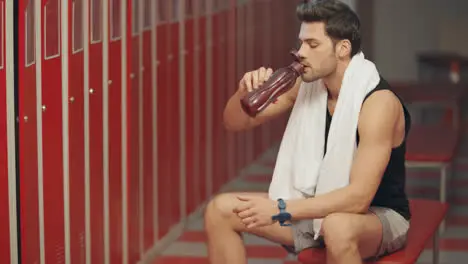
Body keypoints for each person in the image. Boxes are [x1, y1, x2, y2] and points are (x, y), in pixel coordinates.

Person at [204, 1, 411, 264]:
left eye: (312, 45)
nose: (300, 52)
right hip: (313, 209)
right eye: (301, 43)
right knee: (219, 210)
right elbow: (234, 123)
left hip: (377, 216)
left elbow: (358, 199)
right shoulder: (305, 86)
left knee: (337, 227)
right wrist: (244, 92)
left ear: (343, 48)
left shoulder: (378, 103)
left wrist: (280, 208)